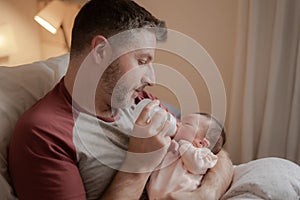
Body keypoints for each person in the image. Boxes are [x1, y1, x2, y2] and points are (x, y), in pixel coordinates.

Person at [8, 0, 233, 199]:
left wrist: (207, 193)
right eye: (142, 60)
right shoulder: (44, 135)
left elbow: (208, 143)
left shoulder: (137, 98)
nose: (152, 79)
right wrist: (139, 163)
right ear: (101, 51)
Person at [147, 113, 226, 200]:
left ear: (201, 143)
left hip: (180, 196)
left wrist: (183, 144)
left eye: (186, 124)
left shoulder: (201, 155)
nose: (177, 124)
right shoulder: (173, 146)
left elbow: (197, 166)